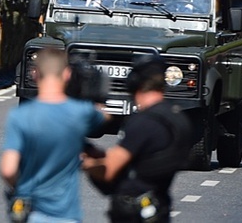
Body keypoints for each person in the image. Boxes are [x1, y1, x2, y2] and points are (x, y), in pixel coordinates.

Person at [82, 54, 192, 223]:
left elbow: (109, 171)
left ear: (134, 83)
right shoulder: (176, 119)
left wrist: (83, 162)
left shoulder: (144, 123)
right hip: (158, 207)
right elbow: (146, 157)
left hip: (132, 212)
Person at [0, 47, 106, 222]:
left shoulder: (19, 116)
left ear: (35, 74)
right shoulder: (80, 113)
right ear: (66, 75)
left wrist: (22, 188)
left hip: (32, 214)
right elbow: (103, 115)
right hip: (66, 216)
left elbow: (8, 169)